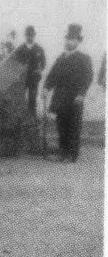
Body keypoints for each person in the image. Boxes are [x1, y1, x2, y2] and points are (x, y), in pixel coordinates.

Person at [43, 24, 93, 163]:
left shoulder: (83, 58)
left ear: (78, 42)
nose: (68, 42)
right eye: (67, 39)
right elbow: (52, 75)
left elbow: (87, 78)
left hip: (75, 98)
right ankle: (63, 152)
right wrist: (46, 87)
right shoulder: (61, 58)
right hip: (60, 98)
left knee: (73, 126)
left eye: (72, 40)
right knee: (61, 125)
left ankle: (72, 155)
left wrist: (81, 94)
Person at [14, 26, 46, 116]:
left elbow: (43, 63)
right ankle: (20, 118)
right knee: (20, 98)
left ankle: (31, 119)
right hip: (22, 78)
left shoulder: (39, 49)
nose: (30, 37)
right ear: (25, 36)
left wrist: (39, 70)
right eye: (28, 35)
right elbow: (15, 63)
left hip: (34, 78)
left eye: (32, 35)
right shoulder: (20, 49)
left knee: (32, 99)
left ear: (34, 36)